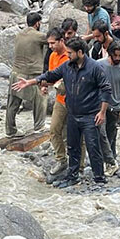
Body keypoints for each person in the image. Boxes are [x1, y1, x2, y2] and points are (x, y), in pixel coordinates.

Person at [12, 37, 112, 187]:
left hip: (90, 115)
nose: (68, 55)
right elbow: (50, 75)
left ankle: (99, 179)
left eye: (70, 53)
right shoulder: (67, 66)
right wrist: (30, 82)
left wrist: (102, 112)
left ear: (80, 52)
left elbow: (106, 89)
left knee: (93, 147)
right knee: (72, 146)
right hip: (73, 113)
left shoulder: (95, 68)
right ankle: (73, 176)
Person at [6, 12, 48, 138]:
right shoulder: (39, 35)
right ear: (37, 23)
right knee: (41, 99)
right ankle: (39, 126)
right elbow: (53, 40)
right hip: (32, 74)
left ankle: (10, 131)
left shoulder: (19, 35)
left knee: (13, 103)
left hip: (15, 72)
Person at [98, 41, 120, 170]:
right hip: (100, 105)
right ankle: (106, 160)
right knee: (101, 134)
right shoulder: (99, 65)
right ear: (110, 53)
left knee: (111, 134)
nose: (118, 58)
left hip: (115, 106)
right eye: (115, 55)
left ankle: (111, 159)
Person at [44, 28, 70, 176]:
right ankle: (61, 159)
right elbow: (51, 75)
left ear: (61, 41)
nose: (51, 46)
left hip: (73, 101)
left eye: (53, 43)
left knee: (73, 134)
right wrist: (44, 85)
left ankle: (77, 164)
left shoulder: (69, 56)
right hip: (60, 100)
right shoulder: (53, 56)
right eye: (49, 44)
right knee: (54, 129)